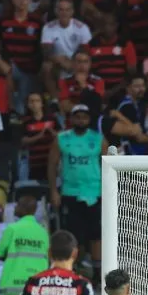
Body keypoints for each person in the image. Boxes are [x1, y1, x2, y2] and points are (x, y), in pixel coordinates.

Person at [48, 105, 108, 280]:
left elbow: (108, 166)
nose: (80, 120)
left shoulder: (98, 139)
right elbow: (52, 165)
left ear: (89, 120)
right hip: (70, 192)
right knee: (74, 236)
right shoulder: (62, 138)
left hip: (94, 193)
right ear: (71, 119)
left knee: (96, 234)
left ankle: (97, 274)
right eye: (77, 117)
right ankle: (74, 270)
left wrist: (107, 191)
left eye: (84, 117)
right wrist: (54, 191)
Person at [0, 188, 49, 295]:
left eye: (18, 205)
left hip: (12, 287)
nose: (15, 207)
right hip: (37, 287)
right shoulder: (43, 232)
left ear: (23, 208)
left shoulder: (12, 229)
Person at [0, 0, 42, 113]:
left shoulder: (37, 22)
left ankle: (20, 117)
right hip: (9, 65)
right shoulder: (3, 21)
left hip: (29, 67)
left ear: (30, 1)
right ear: (12, 0)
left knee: (23, 103)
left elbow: (40, 47)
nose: (22, 1)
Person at [39, 0, 91, 98]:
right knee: (46, 67)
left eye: (67, 10)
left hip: (77, 61)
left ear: (72, 11)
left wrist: (72, 62)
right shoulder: (48, 27)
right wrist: (59, 60)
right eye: (61, 9)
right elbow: (46, 52)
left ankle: (84, 95)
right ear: (56, 11)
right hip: (58, 63)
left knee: (84, 62)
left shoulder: (82, 27)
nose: (64, 13)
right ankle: (56, 99)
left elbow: (86, 51)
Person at [87, 12, 137, 102]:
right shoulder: (91, 44)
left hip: (120, 90)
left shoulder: (125, 44)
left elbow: (131, 73)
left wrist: (113, 91)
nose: (107, 28)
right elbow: (86, 70)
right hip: (96, 90)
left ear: (116, 26)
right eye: (103, 24)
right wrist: (100, 90)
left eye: (110, 24)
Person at [18, 91, 58, 181]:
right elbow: (23, 141)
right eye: (31, 101)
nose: (34, 103)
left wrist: (52, 132)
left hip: (51, 161)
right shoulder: (25, 121)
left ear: (42, 103)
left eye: (37, 101)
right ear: (28, 104)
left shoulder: (52, 118)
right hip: (34, 162)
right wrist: (38, 137)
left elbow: (61, 135)